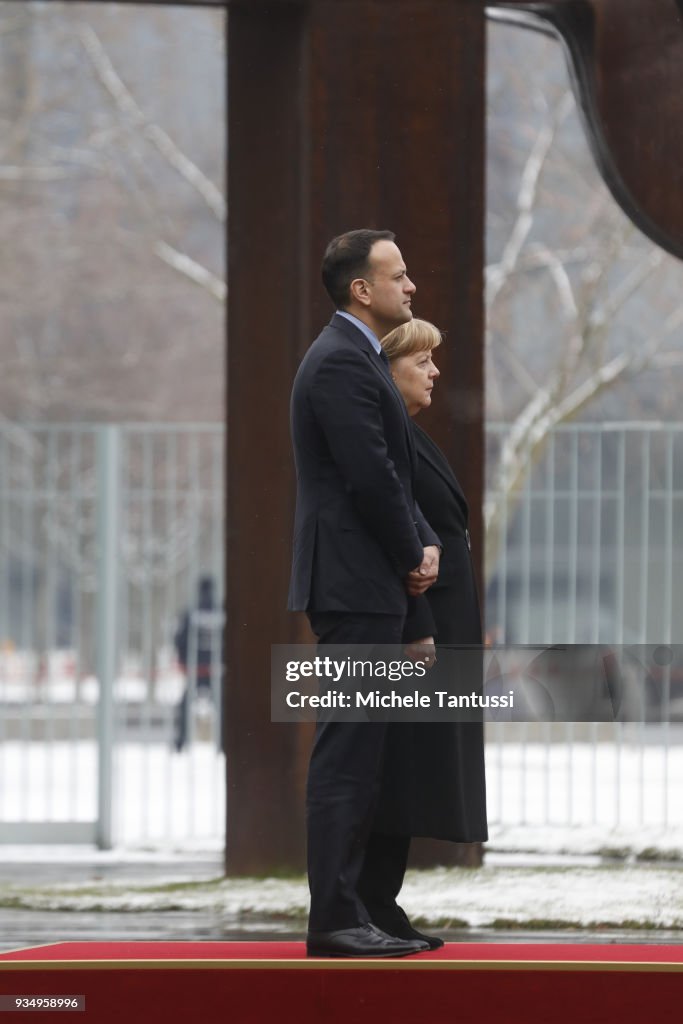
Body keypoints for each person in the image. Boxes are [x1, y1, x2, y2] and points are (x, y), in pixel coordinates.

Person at [288, 229, 441, 958]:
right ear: (361, 289)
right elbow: (371, 475)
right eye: (398, 275)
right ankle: (335, 920)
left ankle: (355, 912)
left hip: (367, 582)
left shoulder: (354, 359)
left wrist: (414, 550)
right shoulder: (340, 363)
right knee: (347, 754)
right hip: (353, 584)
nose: (409, 287)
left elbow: (390, 473)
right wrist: (414, 551)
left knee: (364, 754)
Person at [362, 318, 487, 943]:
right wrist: (425, 623)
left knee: (410, 770)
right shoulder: (390, 440)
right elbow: (396, 541)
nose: (435, 372)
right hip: (420, 633)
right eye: (423, 363)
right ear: (388, 372)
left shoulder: (410, 435)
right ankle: (372, 905)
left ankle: (383, 904)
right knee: (397, 769)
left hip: (441, 630)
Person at [173, 575, 224, 753]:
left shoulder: (191, 612)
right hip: (217, 670)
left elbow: (179, 638)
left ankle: (181, 741)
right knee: (223, 708)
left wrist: (182, 660)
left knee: (184, 707)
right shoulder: (221, 611)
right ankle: (224, 742)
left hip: (195, 669)